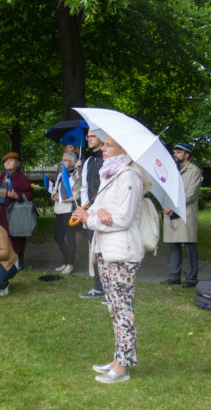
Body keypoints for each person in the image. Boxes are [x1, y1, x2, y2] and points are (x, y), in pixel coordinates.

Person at [72, 135, 147, 384]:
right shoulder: (110, 174)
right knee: (114, 309)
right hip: (105, 250)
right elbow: (97, 207)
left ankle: (123, 366)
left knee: (122, 310)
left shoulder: (128, 177)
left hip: (123, 253)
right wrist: (94, 212)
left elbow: (123, 219)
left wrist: (91, 219)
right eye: (103, 144)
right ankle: (118, 358)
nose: (103, 148)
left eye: (109, 145)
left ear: (123, 149)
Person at [160, 143, 202, 288]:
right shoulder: (170, 170)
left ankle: (191, 279)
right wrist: (165, 205)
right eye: (175, 152)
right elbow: (164, 189)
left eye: (178, 152)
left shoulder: (194, 171)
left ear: (187, 155)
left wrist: (173, 207)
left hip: (185, 213)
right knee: (172, 246)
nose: (175, 155)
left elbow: (191, 194)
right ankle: (173, 277)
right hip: (169, 214)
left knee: (189, 245)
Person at [0, 152, 34, 268]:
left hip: (14, 212)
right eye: (6, 161)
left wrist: (17, 196)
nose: (8, 163)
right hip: (1, 211)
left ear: (17, 163)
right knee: (2, 235)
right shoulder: (2, 176)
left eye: (11, 161)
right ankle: (4, 260)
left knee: (16, 236)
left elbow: (29, 193)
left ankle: (19, 262)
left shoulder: (20, 177)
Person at [79, 131, 105, 298]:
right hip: (90, 212)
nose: (89, 138)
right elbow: (84, 187)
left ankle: (110, 287)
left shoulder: (109, 159)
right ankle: (98, 287)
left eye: (93, 135)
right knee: (94, 249)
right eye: (88, 136)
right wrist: (85, 208)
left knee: (106, 250)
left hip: (105, 211)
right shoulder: (88, 161)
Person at [52, 151, 81, 275]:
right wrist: (53, 195)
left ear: (72, 162)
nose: (62, 162)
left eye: (65, 160)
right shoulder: (60, 174)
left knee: (70, 238)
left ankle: (70, 264)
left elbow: (77, 194)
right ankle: (66, 261)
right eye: (62, 160)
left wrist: (62, 197)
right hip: (58, 209)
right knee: (58, 236)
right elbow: (55, 189)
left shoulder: (76, 175)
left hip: (69, 210)